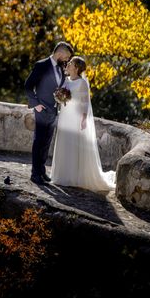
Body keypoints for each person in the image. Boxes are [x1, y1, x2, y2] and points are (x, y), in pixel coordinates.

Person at [50, 56, 115, 191]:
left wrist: (84, 118)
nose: (68, 64)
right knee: (64, 142)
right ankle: (62, 175)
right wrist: (59, 97)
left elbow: (85, 102)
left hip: (76, 117)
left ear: (77, 68)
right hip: (65, 116)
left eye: (71, 63)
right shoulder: (66, 80)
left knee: (74, 144)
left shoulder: (82, 83)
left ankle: (73, 177)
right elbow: (60, 96)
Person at [24, 41, 74, 185]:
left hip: (54, 110)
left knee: (46, 143)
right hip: (42, 109)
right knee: (38, 141)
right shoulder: (41, 65)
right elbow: (28, 86)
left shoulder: (61, 67)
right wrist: (35, 104)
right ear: (60, 53)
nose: (67, 60)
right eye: (67, 57)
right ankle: (35, 174)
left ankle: (41, 171)